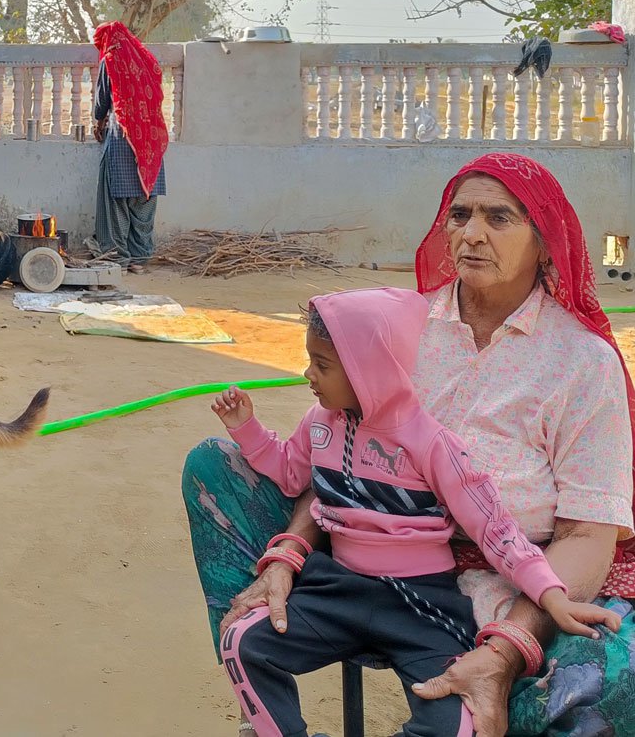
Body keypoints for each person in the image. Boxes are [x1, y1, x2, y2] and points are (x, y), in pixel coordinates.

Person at [182, 153, 635, 736]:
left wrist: (505, 650)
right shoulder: (402, 329)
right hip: (367, 553)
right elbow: (336, 452)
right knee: (214, 469)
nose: (471, 234)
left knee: (601, 691)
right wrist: (287, 554)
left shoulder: (581, 363)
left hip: (513, 580)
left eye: (499, 217)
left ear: (545, 243)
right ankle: (265, 692)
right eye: (459, 215)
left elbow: (586, 536)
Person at [211, 288, 619, 737]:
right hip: (337, 587)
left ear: (369, 371)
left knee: (459, 724)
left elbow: (494, 530)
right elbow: (291, 474)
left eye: (322, 365)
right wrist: (246, 430)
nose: (309, 374)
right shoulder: (319, 423)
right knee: (242, 642)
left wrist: (550, 594)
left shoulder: (431, 443)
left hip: (421, 602)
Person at [91, 21, 168, 274]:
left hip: (122, 136)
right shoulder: (146, 59)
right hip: (151, 138)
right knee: (144, 201)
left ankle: (117, 259)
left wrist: (98, 121)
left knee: (115, 201)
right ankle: (139, 260)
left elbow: (102, 101)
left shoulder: (111, 60)